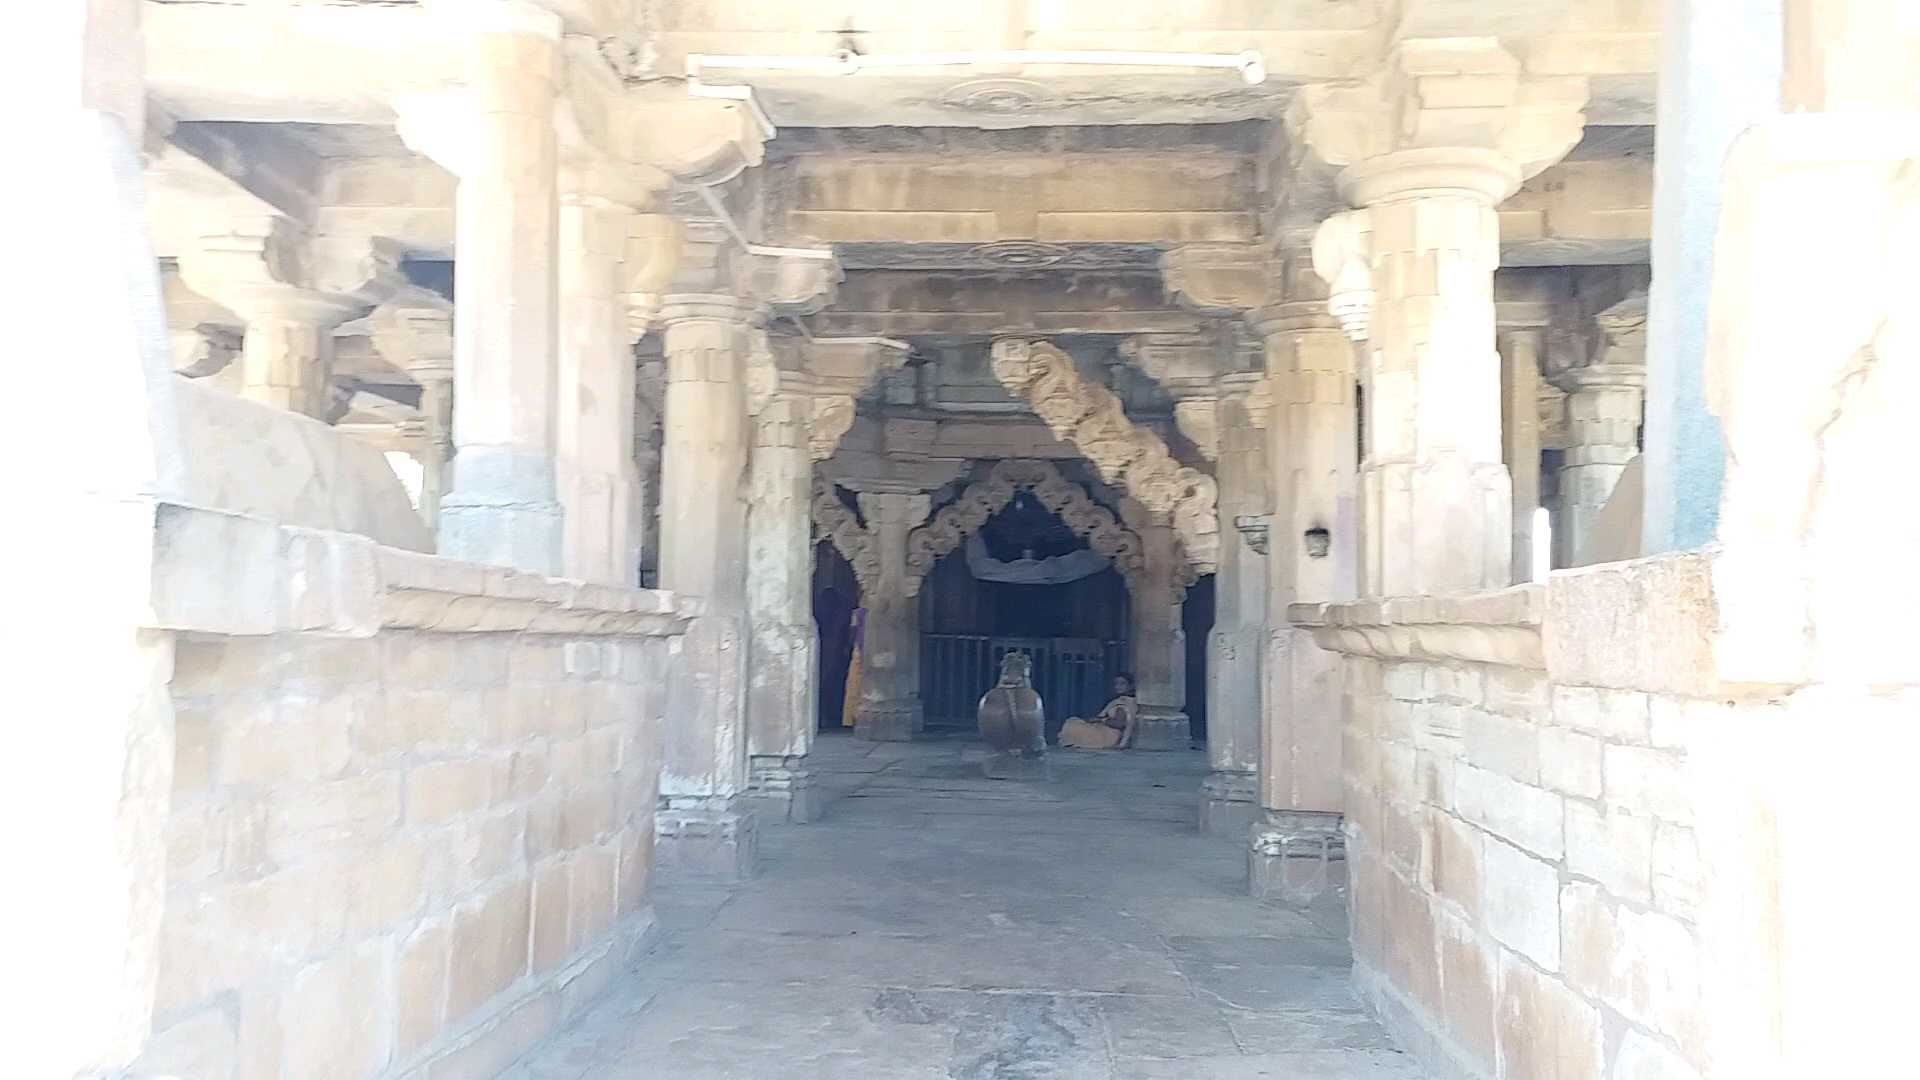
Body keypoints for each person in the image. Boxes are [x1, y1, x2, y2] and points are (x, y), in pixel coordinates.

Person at [1058, 673, 1139, 750]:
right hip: (1107, 732)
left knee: (1071, 725)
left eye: (1122, 684)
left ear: (1130, 686)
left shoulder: (1123, 703)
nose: (1118, 686)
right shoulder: (1125, 701)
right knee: (1075, 722)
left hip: (1109, 736)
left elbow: (1119, 724)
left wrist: (1100, 720)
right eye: (1116, 683)